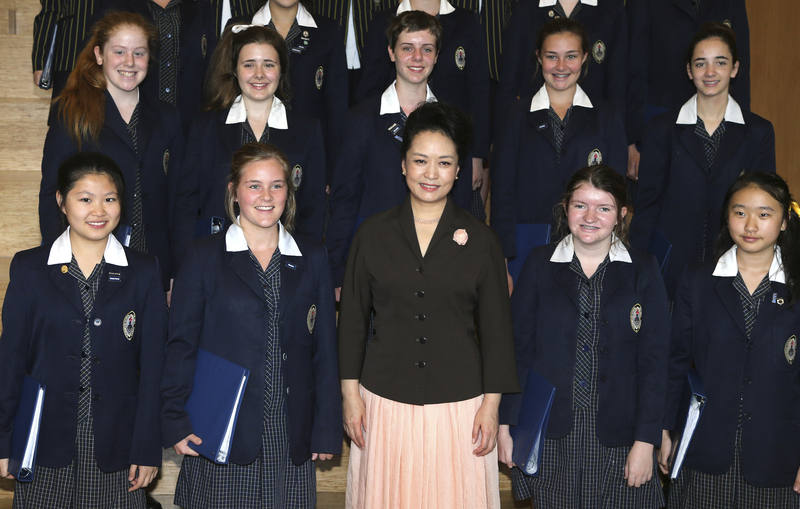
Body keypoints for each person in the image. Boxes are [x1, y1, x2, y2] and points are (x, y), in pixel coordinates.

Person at [338, 101, 519, 509]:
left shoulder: (482, 241)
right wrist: (350, 395)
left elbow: (497, 332)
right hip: (384, 403)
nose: (431, 174)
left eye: (444, 163)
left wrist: (492, 406)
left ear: (459, 171)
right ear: (403, 165)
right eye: (420, 161)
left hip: (460, 407)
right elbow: (351, 322)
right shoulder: (372, 235)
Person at [162, 142, 342, 509]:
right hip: (220, 427)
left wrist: (326, 425)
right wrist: (175, 419)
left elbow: (324, 349)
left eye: (276, 185)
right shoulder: (202, 255)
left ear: (289, 192)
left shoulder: (313, 257)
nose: (266, 196)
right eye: (254, 185)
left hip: (288, 429)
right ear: (234, 191)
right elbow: (181, 345)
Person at [0, 152, 167, 508]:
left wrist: (147, 446)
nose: (99, 211)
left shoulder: (144, 270)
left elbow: (154, 367)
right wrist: (3, 439)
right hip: (41, 440)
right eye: (86, 199)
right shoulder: (30, 268)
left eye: (110, 199)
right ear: (61, 201)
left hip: (117, 446)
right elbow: (10, 362)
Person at [497, 165, 669, 508]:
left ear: (621, 214)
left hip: (621, 434)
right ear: (565, 208)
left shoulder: (644, 269)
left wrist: (646, 441)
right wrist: (506, 424)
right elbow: (517, 350)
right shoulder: (539, 263)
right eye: (580, 205)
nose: (590, 217)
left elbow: (655, 362)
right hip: (552, 431)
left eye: (603, 208)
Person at [660, 172, 800, 508]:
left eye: (764, 214)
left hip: (778, 456)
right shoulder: (697, 279)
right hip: (703, 449)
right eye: (740, 212)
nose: (750, 225)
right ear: (727, 217)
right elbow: (675, 361)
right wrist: (663, 430)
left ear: (784, 221)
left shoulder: (796, 284)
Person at [326, 11, 475, 288]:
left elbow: (462, 200)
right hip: (374, 260)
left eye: (426, 49)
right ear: (391, 53)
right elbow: (344, 200)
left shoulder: (455, 121)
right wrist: (336, 268)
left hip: (436, 260)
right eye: (407, 48)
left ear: (437, 56)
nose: (417, 57)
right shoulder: (361, 120)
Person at [39, 11, 186, 291]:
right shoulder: (71, 112)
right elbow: (51, 194)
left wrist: (176, 270)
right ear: (99, 55)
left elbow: (180, 200)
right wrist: (58, 266)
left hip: (154, 263)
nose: (129, 62)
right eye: (119, 52)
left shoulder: (168, 117)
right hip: (87, 262)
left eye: (139, 53)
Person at [629, 22, 774, 301]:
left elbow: (766, 208)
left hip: (735, 262)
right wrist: (636, 266)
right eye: (700, 63)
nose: (710, 72)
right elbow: (648, 204)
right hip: (671, 264)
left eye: (720, 62)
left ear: (734, 68)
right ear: (689, 70)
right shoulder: (660, 129)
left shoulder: (759, 132)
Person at [171, 25, 327, 269]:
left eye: (268, 64)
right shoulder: (205, 127)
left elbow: (313, 208)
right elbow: (186, 206)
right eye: (249, 64)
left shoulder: (308, 130)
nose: (259, 74)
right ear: (235, 70)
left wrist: (308, 268)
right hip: (215, 262)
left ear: (281, 70)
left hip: (284, 263)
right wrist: (183, 268)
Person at [490, 18, 627, 289]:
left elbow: (616, 191)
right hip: (526, 243)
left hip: (590, 242)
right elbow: (502, 192)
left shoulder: (607, 116)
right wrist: (501, 260)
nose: (561, 66)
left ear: (585, 57)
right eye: (552, 56)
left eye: (571, 56)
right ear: (538, 58)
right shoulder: (515, 115)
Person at [355, 0, 491, 208]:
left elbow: (479, 92)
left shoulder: (467, 21)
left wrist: (477, 155)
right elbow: (370, 86)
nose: (418, 56)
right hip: (393, 142)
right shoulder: (382, 20)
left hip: (452, 145)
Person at [625, 0, 750, 181]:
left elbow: (740, 71)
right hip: (661, 122)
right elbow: (634, 68)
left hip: (719, 124)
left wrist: (743, 132)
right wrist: (632, 141)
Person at [240, 0, 349, 186]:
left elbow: (337, 106)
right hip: (252, 145)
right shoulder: (240, 27)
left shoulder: (328, 30)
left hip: (308, 151)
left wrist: (332, 169)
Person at [93, 0, 218, 133]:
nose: (130, 62)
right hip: (127, 124)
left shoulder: (201, 6)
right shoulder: (113, 4)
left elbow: (212, 70)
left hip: (189, 126)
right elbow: (93, 59)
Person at [497, 0, 628, 120]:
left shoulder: (611, 8)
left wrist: (616, 130)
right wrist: (505, 129)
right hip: (534, 122)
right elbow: (509, 81)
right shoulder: (525, 8)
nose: (561, 66)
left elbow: (617, 82)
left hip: (594, 123)